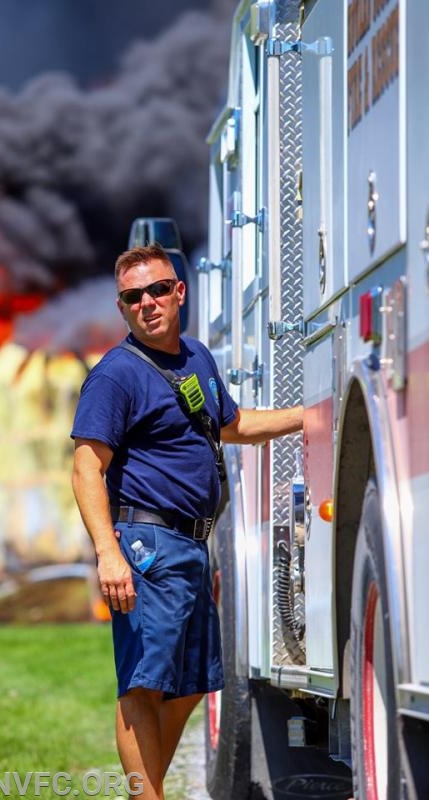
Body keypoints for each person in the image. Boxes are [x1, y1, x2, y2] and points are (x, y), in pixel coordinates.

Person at [71, 243, 303, 800]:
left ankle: (145, 790)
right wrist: (109, 552)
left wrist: (307, 417)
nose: (147, 303)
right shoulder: (116, 375)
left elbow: (233, 423)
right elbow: (86, 470)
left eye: (156, 290)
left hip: (192, 545)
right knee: (144, 684)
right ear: (123, 308)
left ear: (179, 292)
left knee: (191, 684)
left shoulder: (196, 357)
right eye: (133, 297)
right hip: (147, 544)